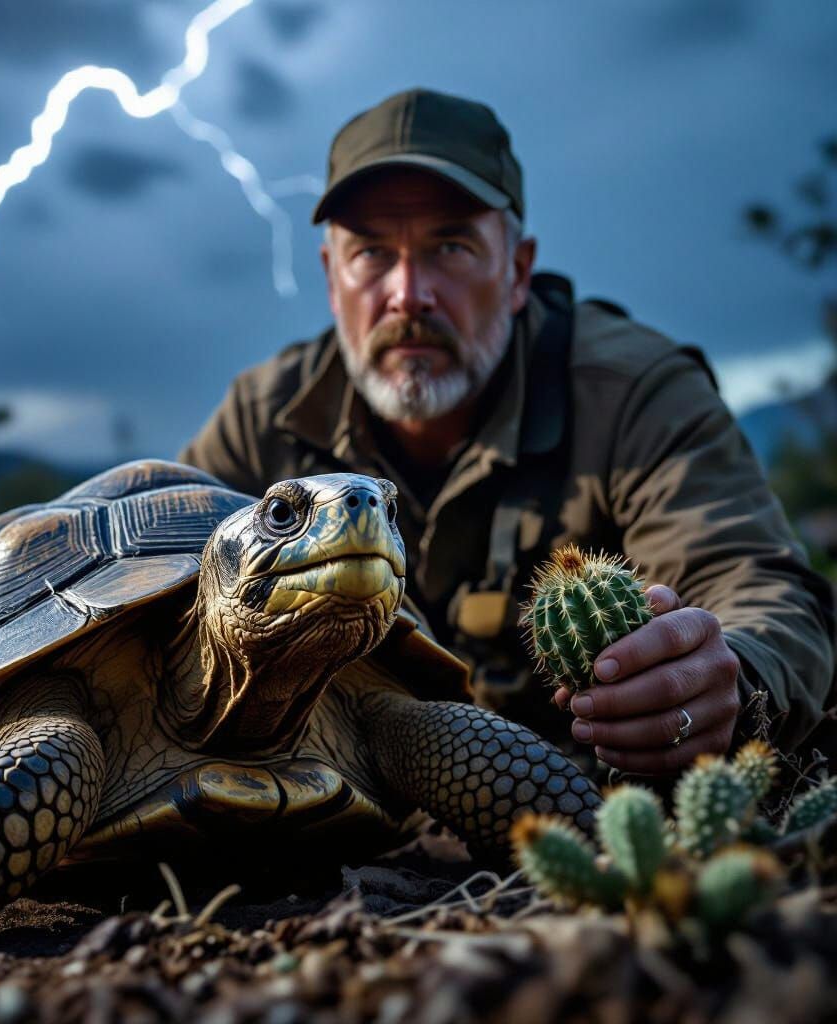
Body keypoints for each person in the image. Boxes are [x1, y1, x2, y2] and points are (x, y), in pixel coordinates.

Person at [180, 88, 835, 775]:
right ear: (330, 277)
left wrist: (730, 675)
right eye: (372, 253)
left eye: (451, 246)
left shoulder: (635, 393)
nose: (409, 294)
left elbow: (760, 583)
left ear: (518, 272)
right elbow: (158, 582)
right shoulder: (264, 417)